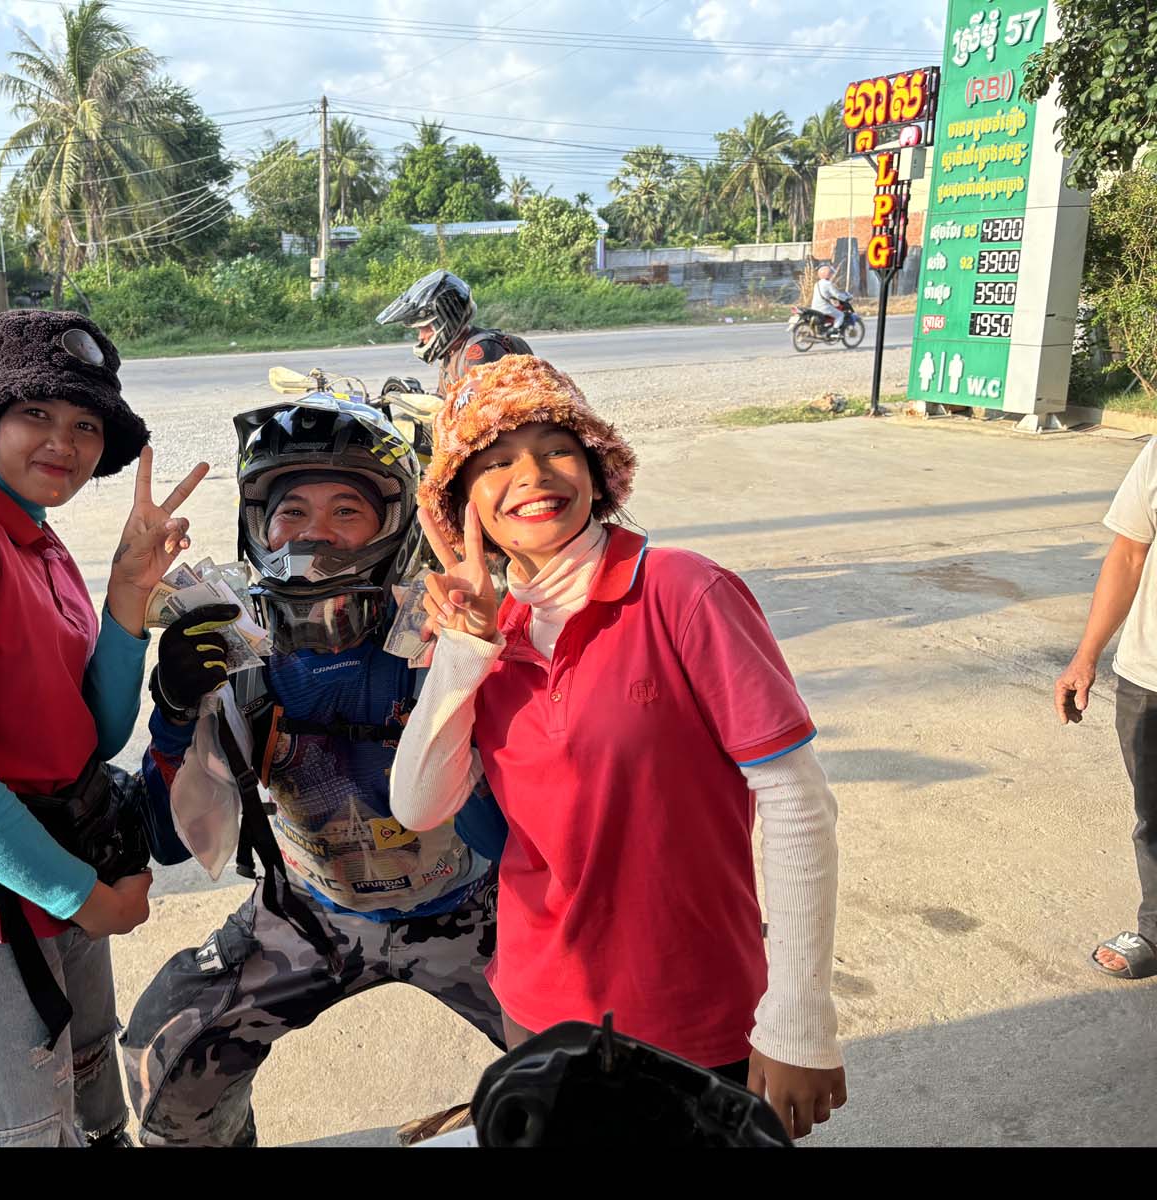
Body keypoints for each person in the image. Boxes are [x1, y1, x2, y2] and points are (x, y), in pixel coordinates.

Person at [390, 354, 848, 1139]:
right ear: (462, 506)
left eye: (555, 449)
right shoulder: (486, 635)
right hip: (539, 1011)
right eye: (496, 462)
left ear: (598, 471)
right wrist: (464, 651)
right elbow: (418, 805)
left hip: (697, 1014)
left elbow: (797, 801)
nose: (532, 475)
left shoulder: (683, 592)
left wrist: (799, 1015)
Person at [121, 393, 508, 1147]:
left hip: (471, 906)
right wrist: (173, 707)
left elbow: (524, 822)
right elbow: (168, 843)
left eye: (345, 511)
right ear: (257, 526)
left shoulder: (448, 634)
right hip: (310, 909)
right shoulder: (234, 646)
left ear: (393, 525)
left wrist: (470, 666)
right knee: (167, 1059)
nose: (313, 534)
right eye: (291, 511)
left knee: (618, 1057)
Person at [0, 310, 206, 1147]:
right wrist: (89, 901)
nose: (64, 443)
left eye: (86, 425)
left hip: (58, 871)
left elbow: (97, 732)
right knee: (16, 1134)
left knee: (95, 1121)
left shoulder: (35, 539)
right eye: (36, 415)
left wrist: (127, 595)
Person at [1055, 437, 1157, 979]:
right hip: (1149, 675)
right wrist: (1085, 656)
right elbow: (1129, 553)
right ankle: (1156, 930)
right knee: (1153, 819)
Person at [376, 269, 532, 394]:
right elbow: (445, 402)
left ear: (445, 321)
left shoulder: (478, 351)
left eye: (424, 328)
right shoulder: (451, 353)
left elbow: (481, 412)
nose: (421, 336)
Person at [810, 266, 850, 335]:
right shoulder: (828, 284)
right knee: (840, 315)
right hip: (823, 307)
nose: (832, 275)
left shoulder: (817, 284)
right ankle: (833, 330)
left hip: (815, 307)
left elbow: (825, 294)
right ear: (827, 274)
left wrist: (831, 297)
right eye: (831, 273)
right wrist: (846, 298)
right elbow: (837, 295)